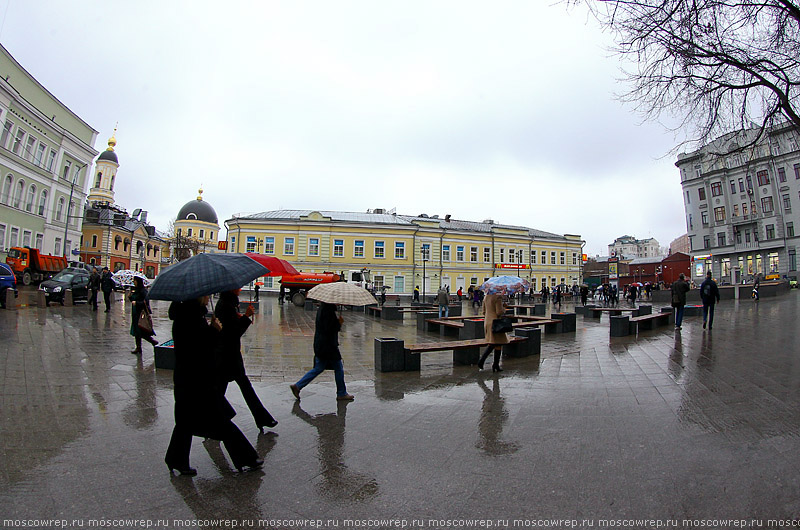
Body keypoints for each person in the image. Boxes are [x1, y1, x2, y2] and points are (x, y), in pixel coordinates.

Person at [165, 296, 263, 476]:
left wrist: (211, 329)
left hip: (190, 379)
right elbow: (195, 350)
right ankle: (247, 458)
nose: (208, 297)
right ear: (197, 298)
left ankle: (175, 459)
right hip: (197, 380)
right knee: (220, 419)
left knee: (185, 422)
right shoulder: (189, 318)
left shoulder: (189, 315)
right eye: (206, 295)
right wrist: (214, 331)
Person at [215, 289, 277, 433]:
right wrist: (246, 317)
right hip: (227, 355)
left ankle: (261, 418)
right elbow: (233, 333)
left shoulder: (227, 304)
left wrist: (240, 317)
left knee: (222, 390)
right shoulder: (226, 306)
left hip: (229, 354)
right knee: (231, 389)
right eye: (237, 287)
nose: (240, 288)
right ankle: (261, 418)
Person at [290, 303, 354, 402]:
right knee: (338, 367)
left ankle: (298, 386)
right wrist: (339, 323)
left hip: (321, 344)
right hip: (328, 346)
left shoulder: (323, 308)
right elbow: (329, 328)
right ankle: (341, 393)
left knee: (319, 368)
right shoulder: (328, 311)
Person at [478, 292, 508, 372]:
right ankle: (482, 360)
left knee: (497, 343)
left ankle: (495, 365)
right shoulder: (498, 297)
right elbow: (499, 312)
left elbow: (483, 312)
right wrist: (504, 308)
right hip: (496, 323)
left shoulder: (486, 296)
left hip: (487, 321)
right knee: (494, 343)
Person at [130, 276, 158, 354]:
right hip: (135, 313)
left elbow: (146, 302)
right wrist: (130, 297)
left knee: (141, 330)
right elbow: (133, 300)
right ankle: (138, 347)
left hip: (141, 313)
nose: (134, 282)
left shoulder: (143, 291)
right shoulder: (136, 290)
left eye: (135, 281)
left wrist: (137, 303)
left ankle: (152, 341)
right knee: (136, 331)